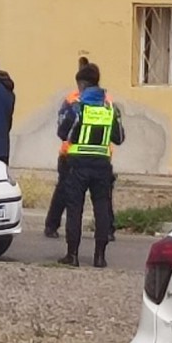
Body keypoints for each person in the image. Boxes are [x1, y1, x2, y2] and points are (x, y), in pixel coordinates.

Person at [57, 62, 124, 268]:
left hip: (78, 165)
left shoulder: (78, 108)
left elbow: (63, 134)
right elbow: (119, 137)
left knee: (75, 208)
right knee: (102, 208)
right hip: (102, 165)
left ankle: (73, 255)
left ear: (83, 85)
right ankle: (100, 257)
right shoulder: (111, 109)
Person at [44, 57, 117, 242]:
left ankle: (58, 234)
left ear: (81, 83)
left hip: (72, 155)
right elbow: (117, 135)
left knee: (70, 201)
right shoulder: (108, 103)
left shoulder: (74, 101)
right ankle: (106, 236)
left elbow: (62, 129)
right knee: (102, 201)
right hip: (101, 157)